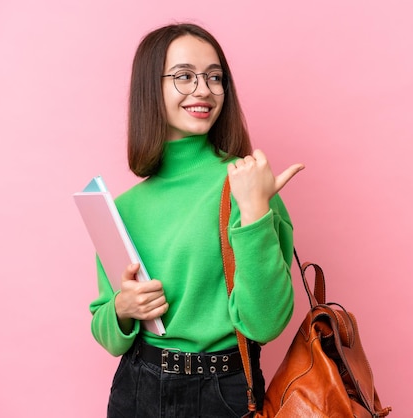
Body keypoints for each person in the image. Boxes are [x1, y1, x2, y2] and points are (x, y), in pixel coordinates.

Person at [88, 22, 304, 417]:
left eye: (214, 77)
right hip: (137, 386)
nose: (203, 89)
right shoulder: (123, 206)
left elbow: (266, 324)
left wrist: (256, 211)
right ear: (150, 89)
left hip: (223, 390)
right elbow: (107, 334)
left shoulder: (245, 181)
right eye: (184, 76)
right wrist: (122, 308)